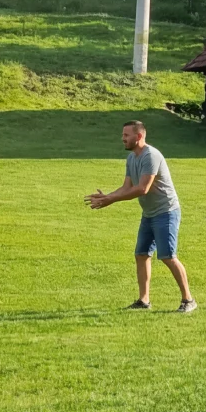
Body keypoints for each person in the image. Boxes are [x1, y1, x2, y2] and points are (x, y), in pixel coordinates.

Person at [84, 120, 196, 313]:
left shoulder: (150, 156)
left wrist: (111, 200)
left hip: (166, 212)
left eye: (126, 135)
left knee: (168, 256)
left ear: (139, 136)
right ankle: (144, 301)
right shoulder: (132, 159)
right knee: (141, 254)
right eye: (122, 135)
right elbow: (127, 187)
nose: (123, 139)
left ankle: (188, 300)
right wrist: (108, 196)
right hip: (149, 213)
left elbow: (142, 189)